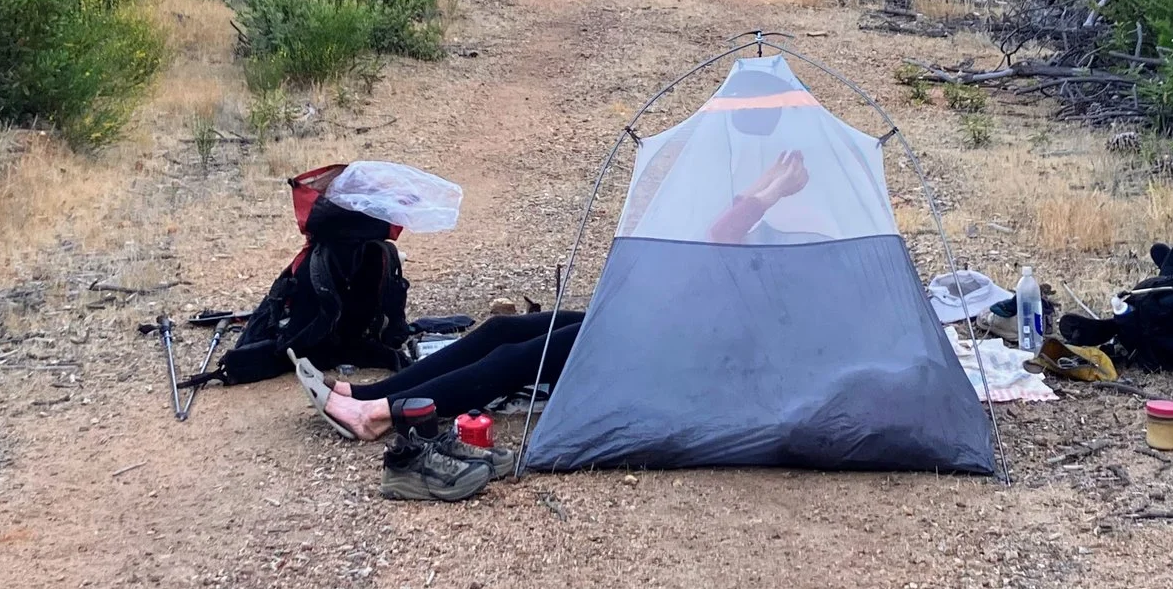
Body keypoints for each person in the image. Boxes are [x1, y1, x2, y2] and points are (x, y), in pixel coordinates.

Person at [314, 150, 813, 441]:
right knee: (505, 329)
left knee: (518, 358)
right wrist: (770, 183)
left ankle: (379, 416)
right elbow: (726, 227)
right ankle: (367, 394)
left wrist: (774, 191)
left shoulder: (805, 270)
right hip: (662, 328)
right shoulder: (784, 242)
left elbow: (723, 233)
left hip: (676, 361)